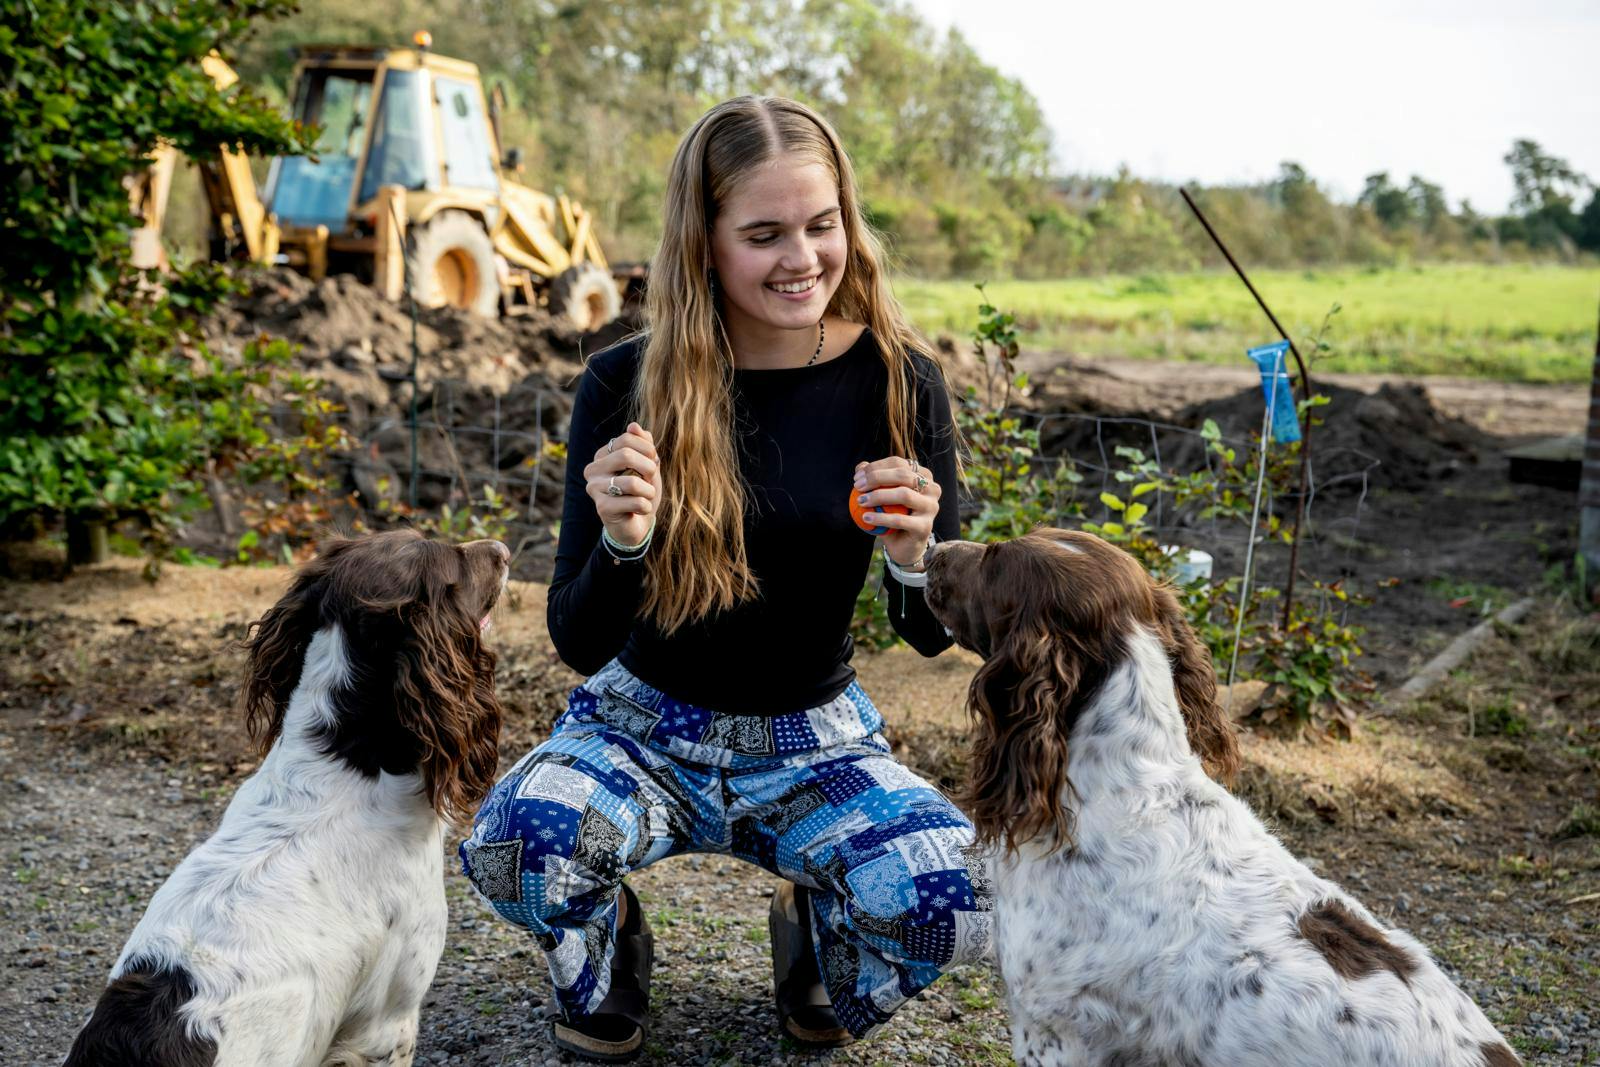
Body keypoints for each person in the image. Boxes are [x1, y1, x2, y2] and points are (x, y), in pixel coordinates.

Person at [460, 95, 991, 1062]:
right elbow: (577, 642)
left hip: (812, 740)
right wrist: (625, 542)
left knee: (951, 899)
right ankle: (611, 945)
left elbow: (925, 634)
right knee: (519, 850)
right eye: (764, 234)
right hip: (642, 727)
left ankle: (815, 936)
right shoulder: (627, 381)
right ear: (703, 242)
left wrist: (917, 561)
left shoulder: (901, 377)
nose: (803, 258)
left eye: (822, 225)